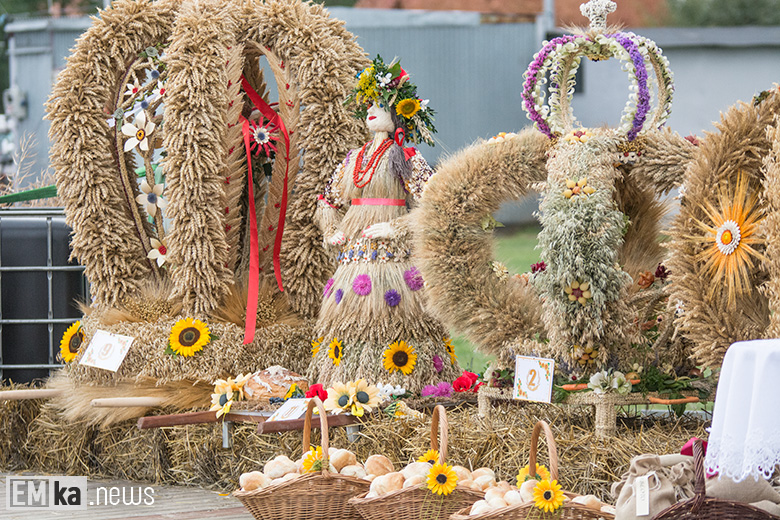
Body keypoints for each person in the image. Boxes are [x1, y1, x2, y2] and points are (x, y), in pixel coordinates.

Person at [310, 56, 459, 392]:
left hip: (394, 251)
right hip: (356, 249)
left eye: (380, 105)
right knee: (353, 315)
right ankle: (348, 384)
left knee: (400, 315)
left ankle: (405, 382)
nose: (371, 110)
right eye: (369, 105)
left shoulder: (406, 157)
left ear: (398, 115)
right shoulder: (352, 159)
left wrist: (398, 227)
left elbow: (435, 205)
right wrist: (331, 228)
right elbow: (327, 200)